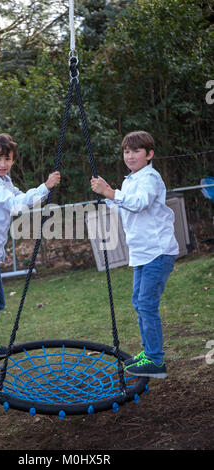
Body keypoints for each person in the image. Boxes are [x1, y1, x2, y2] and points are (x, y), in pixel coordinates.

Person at [0, 133, 60, 384]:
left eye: (7, 158)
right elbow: (15, 205)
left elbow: (21, 198)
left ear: (13, 160)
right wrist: (45, 187)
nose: (3, 163)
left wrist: (42, 194)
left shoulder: (3, 179)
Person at [90, 130, 179, 378]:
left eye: (136, 151)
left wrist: (109, 193)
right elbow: (126, 209)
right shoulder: (131, 180)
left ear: (149, 154)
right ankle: (149, 352)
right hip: (141, 253)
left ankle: (155, 360)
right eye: (126, 152)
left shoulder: (150, 178)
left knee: (146, 305)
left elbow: (139, 203)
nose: (129, 156)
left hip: (157, 252)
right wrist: (107, 194)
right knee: (139, 302)